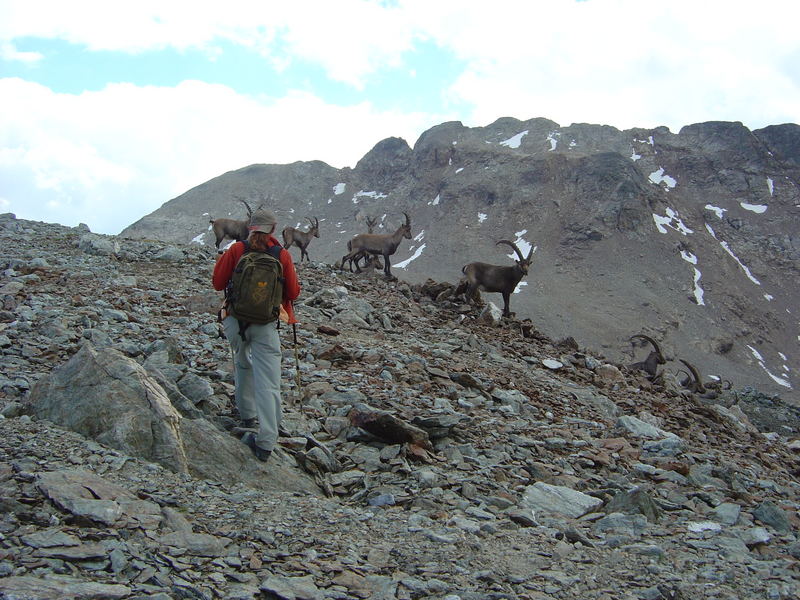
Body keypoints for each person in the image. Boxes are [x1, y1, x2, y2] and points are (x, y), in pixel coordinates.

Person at [212, 209, 300, 461]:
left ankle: (247, 414)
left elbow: (218, 283)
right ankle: (266, 440)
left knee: (242, 363)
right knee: (269, 381)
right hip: (266, 325)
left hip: (235, 321)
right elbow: (293, 293)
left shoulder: (236, 250)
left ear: (251, 228)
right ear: (273, 230)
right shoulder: (281, 254)